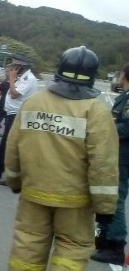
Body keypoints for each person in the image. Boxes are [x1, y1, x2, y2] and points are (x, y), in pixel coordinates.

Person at [3, 46, 119, 270]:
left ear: (59, 71)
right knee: (71, 249)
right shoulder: (96, 111)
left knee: (28, 245)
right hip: (75, 201)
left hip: (33, 193)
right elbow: (103, 163)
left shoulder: (33, 102)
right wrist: (105, 209)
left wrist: (15, 182)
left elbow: (13, 148)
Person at [91, 62, 129, 265]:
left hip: (123, 156)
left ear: (124, 75)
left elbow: (127, 127)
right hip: (118, 154)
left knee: (116, 198)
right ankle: (104, 240)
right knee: (110, 195)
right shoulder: (125, 97)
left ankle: (115, 245)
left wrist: (107, 127)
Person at [0, 54, 38, 180]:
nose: (12, 68)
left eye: (14, 66)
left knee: (10, 145)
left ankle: (3, 173)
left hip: (18, 115)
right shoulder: (22, 77)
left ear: (19, 67)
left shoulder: (28, 79)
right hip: (12, 114)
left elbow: (14, 95)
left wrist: (12, 79)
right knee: (7, 145)